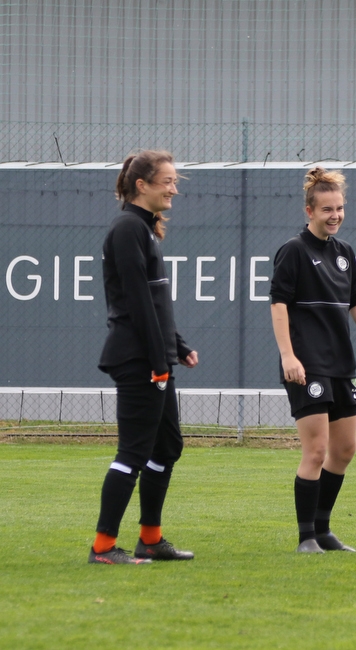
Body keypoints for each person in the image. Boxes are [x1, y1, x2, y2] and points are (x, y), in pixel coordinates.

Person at [90, 150, 198, 564]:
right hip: (137, 359)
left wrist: (178, 346)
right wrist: (158, 364)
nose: (174, 189)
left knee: (167, 447)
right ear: (142, 185)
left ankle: (150, 539)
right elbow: (135, 304)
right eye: (168, 181)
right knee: (133, 452)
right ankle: (102, 548)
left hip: (154, 357)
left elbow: (152, 302)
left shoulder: (144, 229)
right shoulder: (126, 229)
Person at [271, 168, 356, 554]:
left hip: (340, 365)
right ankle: (305, 538)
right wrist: (288, 355)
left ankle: (324, 530)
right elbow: (279, 305)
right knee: (315, 451)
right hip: (306, 365)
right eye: (327, 209)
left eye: (340, 208)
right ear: (309, 210)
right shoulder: (293, 251)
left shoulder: (346, 253)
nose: (335, 215)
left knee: (345, 450)